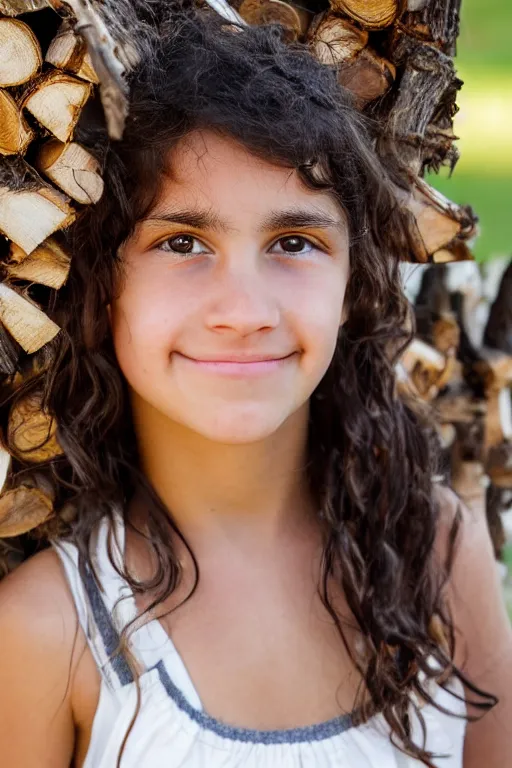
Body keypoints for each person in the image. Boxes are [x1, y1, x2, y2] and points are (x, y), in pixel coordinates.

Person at [0, 8, 511, 768]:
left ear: (351, 285)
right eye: (182, 242)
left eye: (293, 243)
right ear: (107, 293)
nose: (244, 312)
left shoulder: (434, 551)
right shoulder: (50, 631)